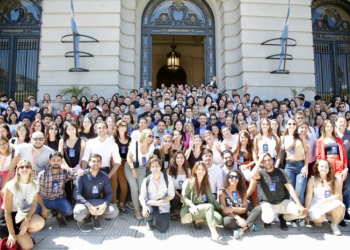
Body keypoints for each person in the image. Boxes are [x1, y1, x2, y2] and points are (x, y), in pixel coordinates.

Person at [252, 153, 308, 230]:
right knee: (267, 219)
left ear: (272, 161)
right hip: (268, 203)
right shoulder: (261, 173)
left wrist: (299, 205)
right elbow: (252, 175)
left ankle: (284, 217)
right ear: (262, 163)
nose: (267, 162)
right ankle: (269, 220)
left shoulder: (281, 172)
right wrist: (259, 160)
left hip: (282, 203)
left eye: (269, 160)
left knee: (301, 213)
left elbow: (291, 189)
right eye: (264, 161)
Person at [0, 160, 45, 249]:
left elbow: (33, 206)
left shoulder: (35, 185)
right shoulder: (10, 186)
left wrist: (27, 220)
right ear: (18, 170)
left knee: (40, 222)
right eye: (21, 167)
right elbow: (7, 212)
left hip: (22, 215)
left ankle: (22, 236)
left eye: (27, 166)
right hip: (9, 217)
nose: (24, 168)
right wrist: (12, 234)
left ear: (31, 170)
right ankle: (11, 235)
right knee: (28, 246)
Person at [180, 161, 227, 245]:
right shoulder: (189, 182)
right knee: (209, 207)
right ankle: (214, 235)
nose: (201, 171)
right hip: (191, 209)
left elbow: (211, 199)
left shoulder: (206, 184)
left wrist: (221, 206)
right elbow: (183, 197)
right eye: (199, 169)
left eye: (203, 169)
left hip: (202, 209)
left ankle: (198, 220)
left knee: (219, 219)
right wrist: (192, 205)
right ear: (195, 171)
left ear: (206, 171)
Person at [35, 152, 83, 228]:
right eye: (53, 160)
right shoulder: (42, 174)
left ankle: (59, 214)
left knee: (69, 211)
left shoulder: (64, 172)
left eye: (58, 160)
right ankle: (44, 215)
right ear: (49, 161)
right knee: (35, 211)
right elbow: (37, 193)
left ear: (61, 162)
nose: (56, 162)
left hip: (59, 199)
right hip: (45, 200)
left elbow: (77, 176)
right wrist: (43, 208)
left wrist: (80, 172)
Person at [73, 154, 119, 232]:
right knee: (78, 213)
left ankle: (95, 216)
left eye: (98, 161)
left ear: (101, 163)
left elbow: (109, 193)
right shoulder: (82, 175)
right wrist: (88, 205)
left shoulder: (104, 176)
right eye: (93, 161)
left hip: (97, 202)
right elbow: (76, 193)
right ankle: (81, 222)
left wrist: (104, 205)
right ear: (89, 163)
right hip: (84, 203)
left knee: (114, 211)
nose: (96, 163)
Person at [281, 118, 310, 227]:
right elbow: (281, 154)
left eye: (294, 124)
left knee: (299, 192)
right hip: (288, 166)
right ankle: (293, 217)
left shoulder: (301, 136)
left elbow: (307, 152)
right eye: (289, 124)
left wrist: (306, 166)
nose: (292, 125)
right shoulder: (283, 138)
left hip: (300, 166)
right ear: (286, 125)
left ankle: (301, 217)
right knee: (290, 193)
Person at [305, 159, 345, 236]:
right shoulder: (312, 179)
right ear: (317, 167)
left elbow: (338, 195)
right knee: (319, 219)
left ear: (329, 168)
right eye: (322, 166)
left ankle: (334, 225)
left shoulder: (335, 179)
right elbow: (308, 196)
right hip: (317, 204)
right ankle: (320, 218)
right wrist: (306, 211)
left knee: (339, 205)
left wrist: (325, 201)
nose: (324, 169)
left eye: (326, 167)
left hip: (329, 203)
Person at [219, 169, 261, 239]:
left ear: (239, 179)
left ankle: (243, 228)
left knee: (259, 209)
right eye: (231, 176)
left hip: (242, 214)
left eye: (237, 177)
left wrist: (233, 209)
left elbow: (245, 209)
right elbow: (224, 211)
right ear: (228, 178)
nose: (234, 179)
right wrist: (237, 218)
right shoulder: (223, 191)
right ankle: (249, 225)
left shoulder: (242, 190)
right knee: (226, 222)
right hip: (231, 216)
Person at [125, 129, 155, 221]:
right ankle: (137, 211)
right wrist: (133, 169)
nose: (151, 138)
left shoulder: (152, 147)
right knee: (134, 188)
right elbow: (128, 158)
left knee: (142, 188)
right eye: (149, 136)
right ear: (144, 136)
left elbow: (149, 157)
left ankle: (142, 207)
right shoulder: (135, 144)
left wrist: (147, 164)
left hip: (141, 168)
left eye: (152, 136)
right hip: (130, 167)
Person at [139, 158, 175, 233]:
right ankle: (149, 221)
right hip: (151, 204)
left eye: (157, 166)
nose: (155, 168)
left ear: (160, 167)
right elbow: (142, 197)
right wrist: (144, 207)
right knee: (147, 212)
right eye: (153, 166)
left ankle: (159, 219)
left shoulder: (168, 178)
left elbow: (171, 195)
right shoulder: (146, 180)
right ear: (150, 168)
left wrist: (158, 203)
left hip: (163, 205)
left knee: (163, 229)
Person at [316, 120, 348, 184]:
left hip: (338, 162)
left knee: (338, 183)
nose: (329, 128)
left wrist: (345, 168)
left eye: (331, 126)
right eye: (327, 126)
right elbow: (318, 156)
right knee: (328, 184)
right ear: (324, 128)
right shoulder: (320, 140)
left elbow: (344, 154)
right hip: (327, 163)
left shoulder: (338, 139)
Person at [167, 151, 191, 221]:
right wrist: (180, 196)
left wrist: (184, 196)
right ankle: (172, 210)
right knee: (175, 199)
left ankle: (183, 210)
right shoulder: (170, 170)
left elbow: (190, 185)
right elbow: (170, 186)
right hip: (174, 191)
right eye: (178, 158)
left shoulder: (188, 170)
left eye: (181, 157)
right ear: (174, 159)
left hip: (184, 191)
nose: (180, 159)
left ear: (184, 159)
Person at [335, 116, 350, 220]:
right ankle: (336, 212)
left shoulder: (349, 135)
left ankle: (345, 211)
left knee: (346, 189)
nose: (342, 124)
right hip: (335, 166)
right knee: (336, 189)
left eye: (344, 122)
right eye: (340, 122)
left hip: (347, 166)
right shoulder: (332, 134)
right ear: (336, 122)